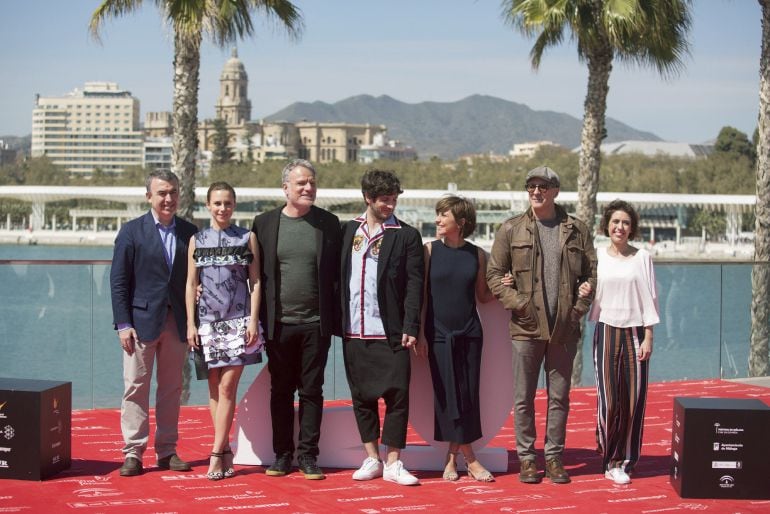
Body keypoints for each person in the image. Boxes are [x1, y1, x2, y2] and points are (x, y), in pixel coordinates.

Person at [487, 166, 596, 485]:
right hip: (525, 328)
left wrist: (577, 310)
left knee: (559, 397)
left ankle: (553, 458)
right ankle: (526, 459)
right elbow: (494, 275)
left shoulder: (577, 230)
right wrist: (518, 303)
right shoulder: (511, 229)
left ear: (556, 191)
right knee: (523, 397)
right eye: (531, 186)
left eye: (543, 186)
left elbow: (592, 275)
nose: (536, 191)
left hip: (564, 329)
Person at [251, 159, 341, 480]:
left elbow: (340, 275)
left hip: (317, 325)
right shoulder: (263, 224)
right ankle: (282, 454)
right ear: (285, 188)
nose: (308, 188)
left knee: (312, 391)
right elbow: (251, 274)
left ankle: (308, 456)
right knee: (280, 391)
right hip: (277, 324)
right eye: (301, 183)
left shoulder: (329, 224)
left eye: (312, 183)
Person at [110, 170, 198, 477]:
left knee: (171, 389)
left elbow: (195, 279)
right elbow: (119, 282)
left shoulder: (190, 232)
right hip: (140, 324)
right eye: (162, 193)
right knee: (135, 387)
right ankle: (133, 452)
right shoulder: (132, 232)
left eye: (173, 192)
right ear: (149, 196)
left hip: (177, 324)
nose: (169, 198)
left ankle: (167, 451)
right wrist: (123, 324)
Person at [341, 169, 424, 486]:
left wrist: (411, 324)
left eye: (393, 200)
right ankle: (372, 458)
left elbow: (415, 285)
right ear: (368, 198)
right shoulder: (348, 231)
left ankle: (393, 462)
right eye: (384, 200)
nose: (390, 205)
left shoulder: (406, 235)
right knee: (361, 397)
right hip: (354, 330)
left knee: (397, 397)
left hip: (391, 332)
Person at [185, 182, 264, 481]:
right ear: (208, 205)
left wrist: (253, 320)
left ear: (234, 205)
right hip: (205, 325)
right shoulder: (197, 240)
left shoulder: (247, 238)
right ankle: (226, 450)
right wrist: (191, 323)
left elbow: (255, 282)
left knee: (228, 387)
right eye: (217, 203)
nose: (222, 208)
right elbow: (191, 284)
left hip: (238, 322)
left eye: (227, 203)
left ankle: (216, 452)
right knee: (214, 389)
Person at [416, 195, 496, 482]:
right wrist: (421, 334)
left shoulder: (478, 255)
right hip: (438, 336)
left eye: (443, 215)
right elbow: (422, 296)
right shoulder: (428, 251)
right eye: (437, 215)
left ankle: (451, 459)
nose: (437, 220)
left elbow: (483, 297)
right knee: (447, 398)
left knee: (467, 396)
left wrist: (505, 286)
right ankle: (470, 459)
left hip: (470, 335)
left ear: (460, 222)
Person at [585, 199, 660, 485]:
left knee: (633, 401)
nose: (620, 227)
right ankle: (606, 443)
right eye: (615, 222)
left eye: (625, 223)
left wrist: (649, 337)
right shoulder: (597, 257)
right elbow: (588, 289)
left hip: (635, 334)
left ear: (632, 228)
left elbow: (650, 299)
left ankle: (621, 461)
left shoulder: (642, 258)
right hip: (605, 330)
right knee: (610, 401)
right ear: (607, 225)